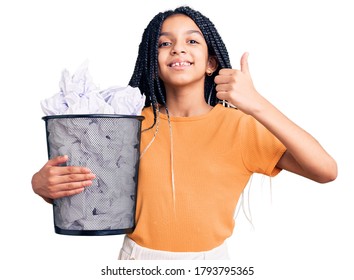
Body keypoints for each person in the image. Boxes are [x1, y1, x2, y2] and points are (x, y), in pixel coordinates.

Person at [31, 6, 337, 260]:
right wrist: (42, 186)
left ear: (210, 63)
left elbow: (325, 170)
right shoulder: (126, 124)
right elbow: (90, 189)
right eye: (165, 43)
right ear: (154, 64)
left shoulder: (241, 126)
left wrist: (257, 104)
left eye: (192, 41)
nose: (178, 48)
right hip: (138, 260)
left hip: (210, 265)